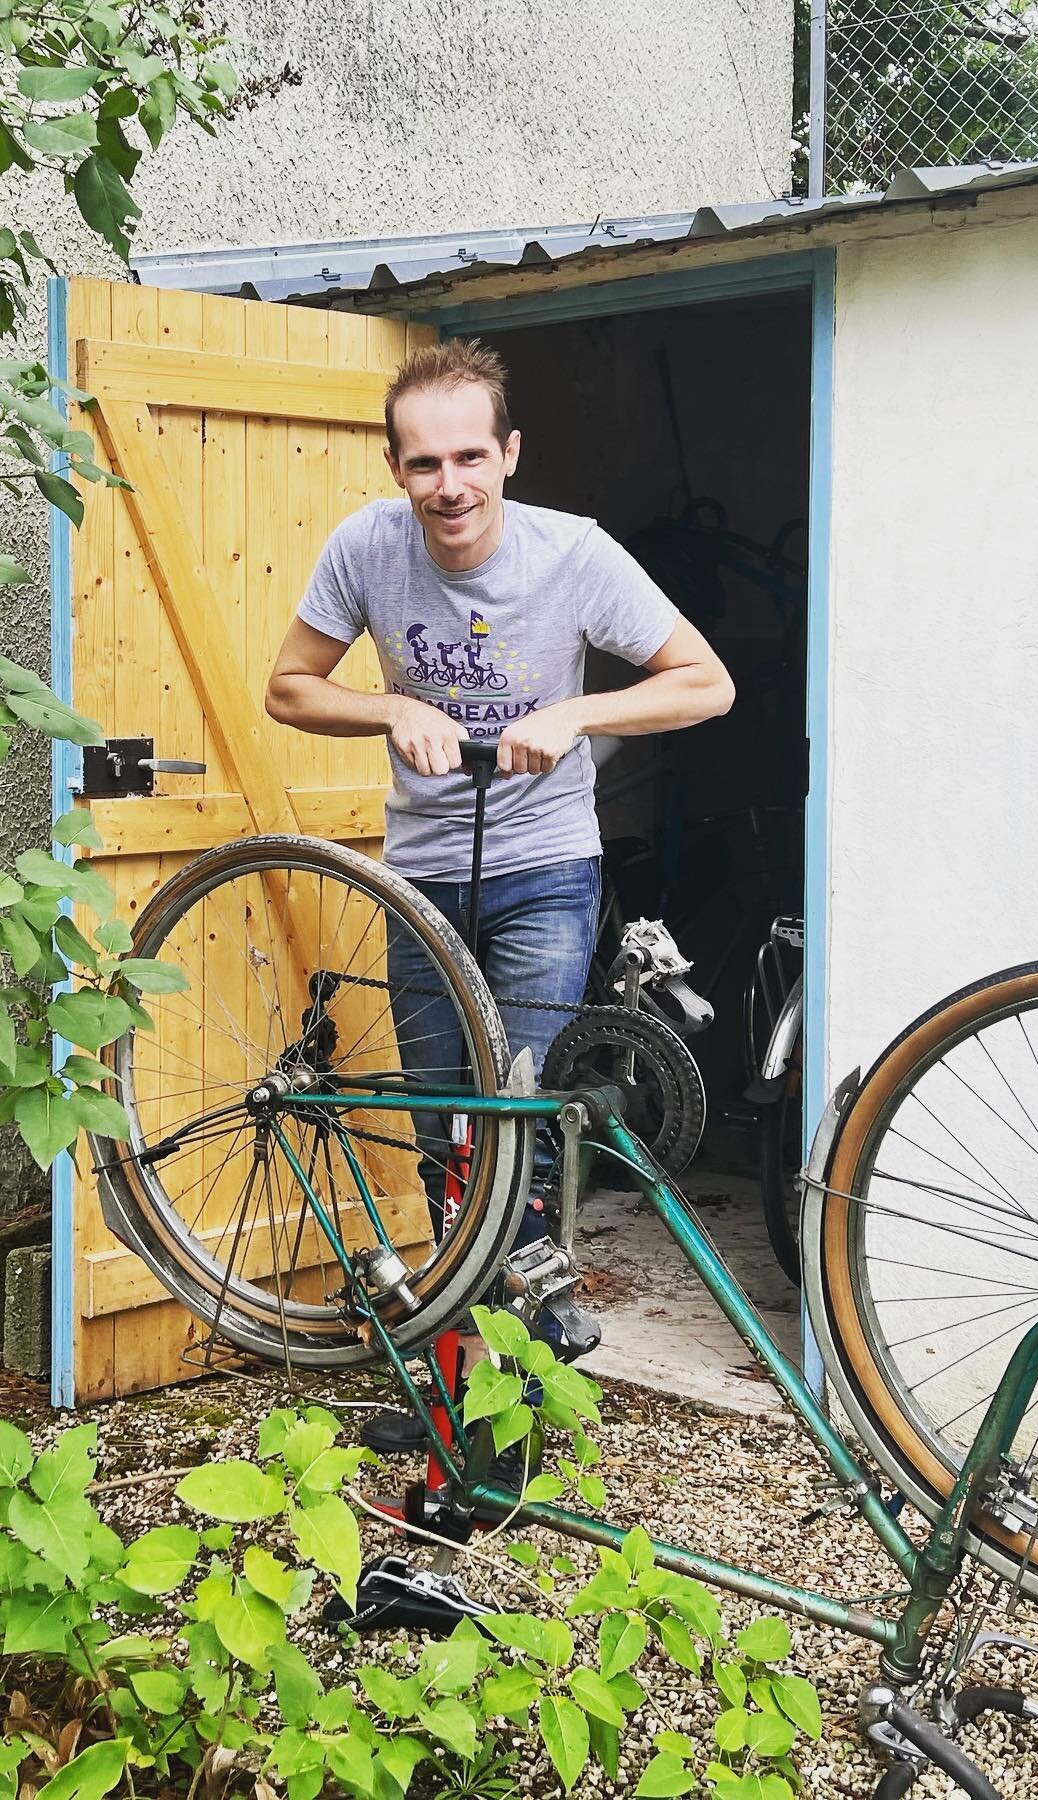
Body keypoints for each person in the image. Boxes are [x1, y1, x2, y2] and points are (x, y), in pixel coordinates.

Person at [265, 338, 734, 1451]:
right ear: (395, 470)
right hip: (421, 876)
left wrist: (576, 716)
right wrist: (389, 711)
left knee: (510, 1130)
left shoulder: (575, 556)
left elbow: (703, 683)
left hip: (544, 873)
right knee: (444, 1131)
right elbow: (289, 687)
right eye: (424, 464)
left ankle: (514, 1403)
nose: (451, 486)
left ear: (510, 453)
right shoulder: (365, 551)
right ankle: (450, 1395)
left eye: (471, 456)